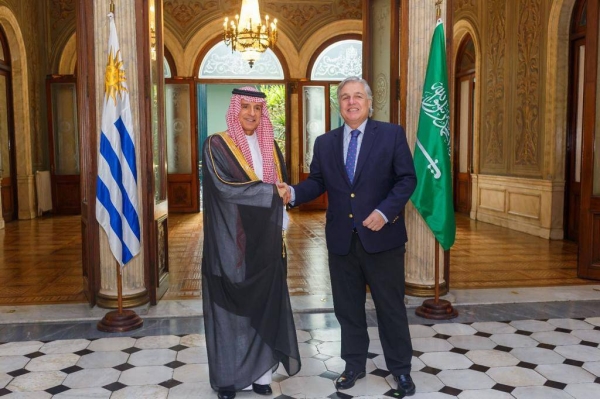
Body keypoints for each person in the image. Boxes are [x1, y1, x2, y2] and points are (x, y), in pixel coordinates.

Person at [279, 77, 417, 395]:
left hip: (383, 240)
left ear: (369, 103)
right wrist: (294, 192)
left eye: (357, 96)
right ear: (338, 104)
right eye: (344, 97)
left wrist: (384, 212)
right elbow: (317, 182)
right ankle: (353, 365)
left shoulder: (391, 135)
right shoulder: (325, 142)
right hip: (342, 240)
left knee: (390, 307)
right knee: (347, 308)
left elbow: (407, 179)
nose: (351, 102)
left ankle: (401, 370)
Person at [202, 87, 301, 399]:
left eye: (257, 109)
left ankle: (260, 375)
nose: (251, 114)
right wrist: (273, 193)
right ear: (235, 109)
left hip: (267, 241)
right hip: (231, 241)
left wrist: (282, 191)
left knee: (264, 305)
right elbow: (224, 187)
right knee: (230, 309)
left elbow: (280, 184)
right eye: (245, 107)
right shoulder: (217, 144)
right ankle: (230, 379)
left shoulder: (270, 145)